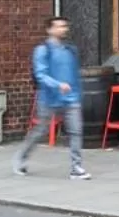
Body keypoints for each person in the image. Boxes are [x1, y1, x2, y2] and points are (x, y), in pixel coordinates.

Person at [13, 16, 90, 180]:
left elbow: (74, 75)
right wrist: (58, 85)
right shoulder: (42, 50)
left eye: (64, 26)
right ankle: (21, 158)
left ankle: (76, 168)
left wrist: (77, 93)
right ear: (49, 29)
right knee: (41, 131)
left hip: (71, 98)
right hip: (49, 98)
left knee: (76, 131)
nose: (63, 29)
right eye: (59, 26)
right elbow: (40, 75)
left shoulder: (70, 50)